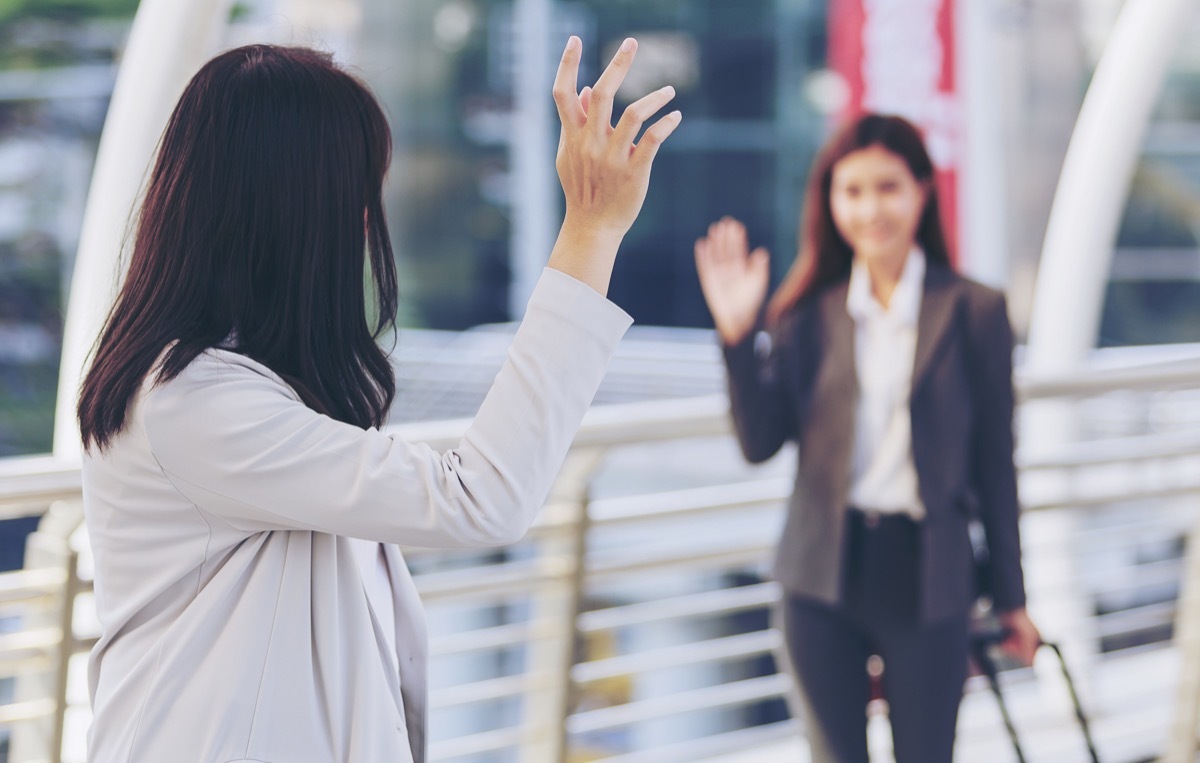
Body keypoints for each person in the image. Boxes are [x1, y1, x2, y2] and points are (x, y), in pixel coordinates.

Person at [77, 39, 679, 763]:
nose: (368, 218)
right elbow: (479, 497)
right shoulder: (195, 404)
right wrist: (591, 227)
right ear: (292, 205)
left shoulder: (239, 388)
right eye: (357, 188)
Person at [694, 113, 1040, 762]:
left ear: (921, 192)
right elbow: (758, 441)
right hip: (820, 578)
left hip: (930, 575)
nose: (868, 208)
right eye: (850, 191)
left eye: (886, 187)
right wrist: (739, 339)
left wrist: (1013, 598)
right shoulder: (806, 314)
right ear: (829, 203)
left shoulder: (975, 311)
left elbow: (997, 463)